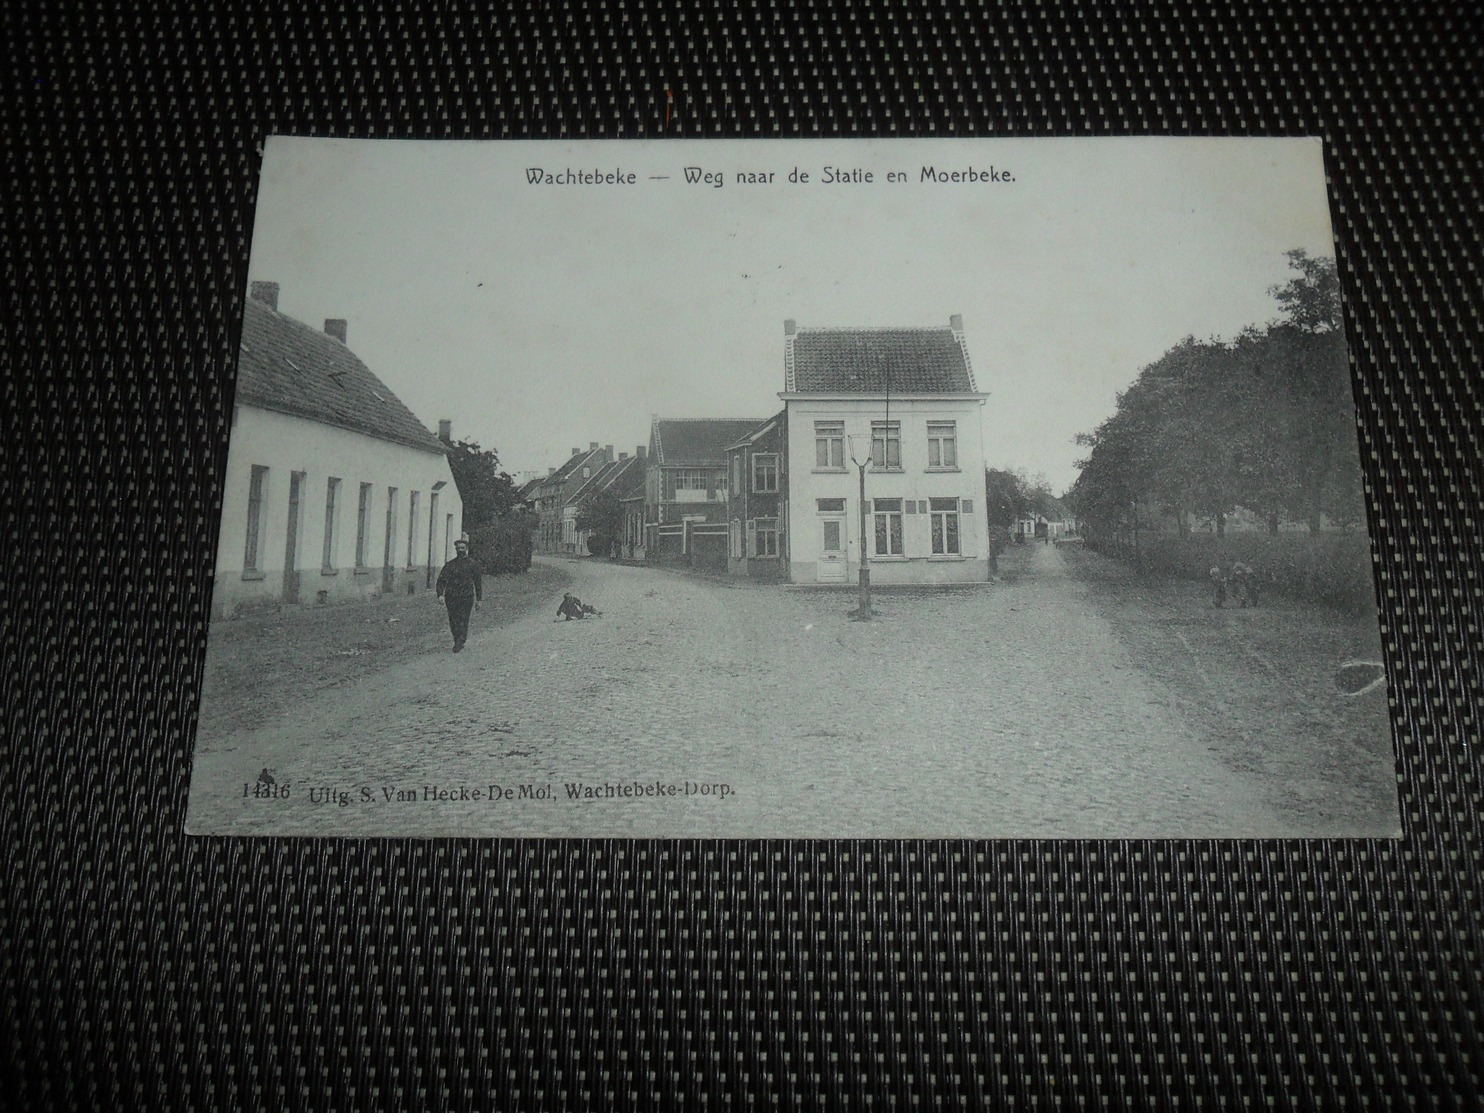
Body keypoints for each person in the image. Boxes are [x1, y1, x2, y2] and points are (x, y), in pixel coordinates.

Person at [435, 537, 483, 651]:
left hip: (467, 596)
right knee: (453, 619)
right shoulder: (450, 565)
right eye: (458, 548)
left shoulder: (472, 564)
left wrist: (479, 599)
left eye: (462, 548)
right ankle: (457, 639)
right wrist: (440, 594)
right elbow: (441, 580)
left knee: (463, 618)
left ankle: (461, 640)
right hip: (451, 596)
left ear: (466, 549)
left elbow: (478, 582)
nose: (460, 550)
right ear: (456, 550)